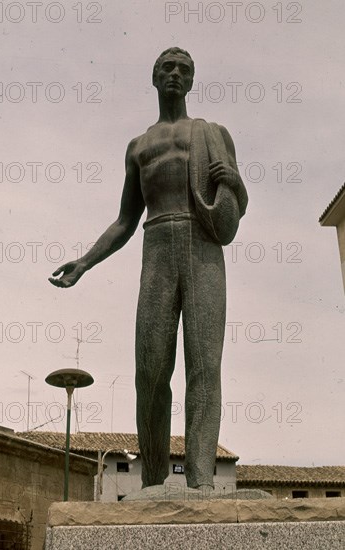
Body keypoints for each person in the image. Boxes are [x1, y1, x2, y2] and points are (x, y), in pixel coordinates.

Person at [49, 47, 248, 491]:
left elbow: (234, 202)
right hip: (156, 245)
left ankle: (200, 481)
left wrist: (233, 182)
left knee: (204, 365)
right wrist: (84, 262)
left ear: (192, 81)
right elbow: (125, 220)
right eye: (167, 68)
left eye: (184, 69)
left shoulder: (213, 134)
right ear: (154, 78)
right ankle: (156, 480)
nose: (175, 74)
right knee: (150, 370)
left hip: (202, 247)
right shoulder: (139, 147)